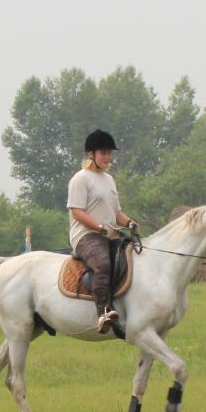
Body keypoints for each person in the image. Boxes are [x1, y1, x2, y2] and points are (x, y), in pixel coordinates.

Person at [67, 129, 138, 333]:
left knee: (134, 257)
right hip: (85, 236)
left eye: (109, 153)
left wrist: (130, 222)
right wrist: (100, 227)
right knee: (102, 263)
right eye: (103, 153)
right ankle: (103, 312)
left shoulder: (109, 179)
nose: (107, 157)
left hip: (109, 234)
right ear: (91, 154)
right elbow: (77, 212)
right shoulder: (80, 179)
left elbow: (116, 213)